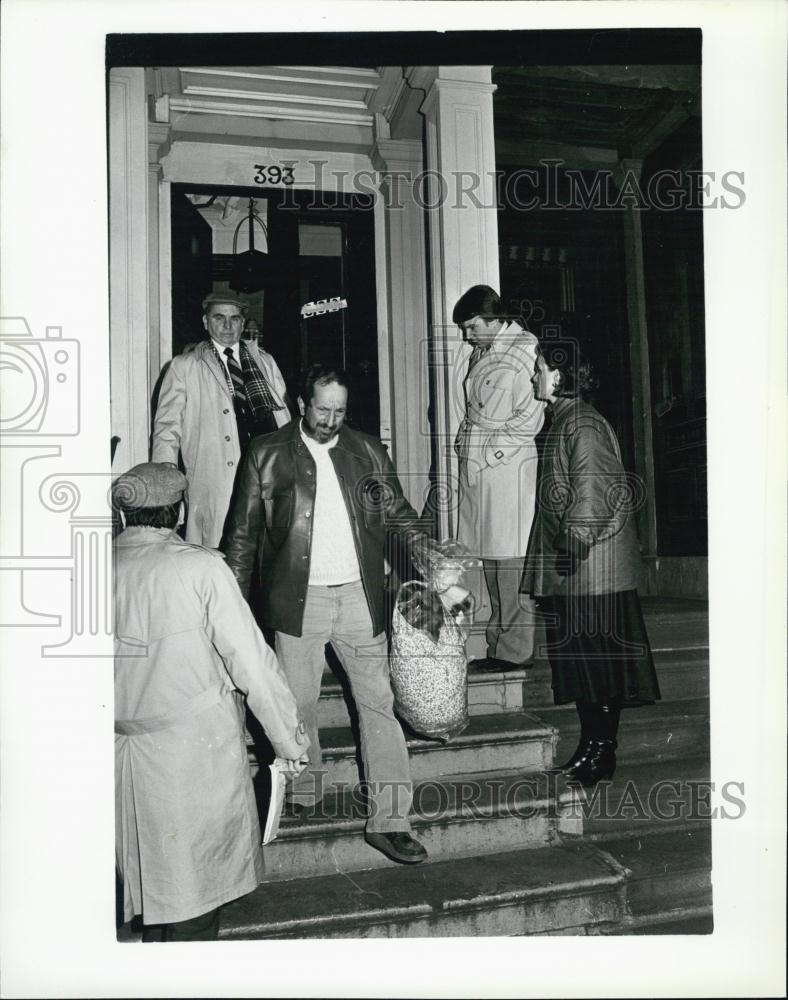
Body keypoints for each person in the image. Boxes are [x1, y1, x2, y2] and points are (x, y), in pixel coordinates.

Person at [222, 365, 428, 865]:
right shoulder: (267, 453)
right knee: (298, 705)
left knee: (379, 704)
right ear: (301, 403)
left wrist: (429, 555)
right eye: (321, 410)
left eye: (339, 411)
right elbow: (243, 536)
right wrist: (229, 607)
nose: (330, 421)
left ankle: (391, 820)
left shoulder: (366, 450)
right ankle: (306, 790)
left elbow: (397, 512)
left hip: (359, 595)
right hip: (298, 598)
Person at [113, 462, 309, 941]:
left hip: (119, 757)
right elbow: (252, 663)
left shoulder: (93, 569)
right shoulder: (200, 567)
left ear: (123, 518)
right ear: (178, 512)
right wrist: (289, 741)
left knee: (145, 900)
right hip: (189, 762)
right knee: (192, 906)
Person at [523, 340, 661, 786]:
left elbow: (595, 491)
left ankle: (600, 753)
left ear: (559, 375)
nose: (534, 376)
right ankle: (594, 750)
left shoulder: (581, 423)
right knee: (589, 669)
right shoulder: (568, 419)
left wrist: (571, 551)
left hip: (592, 573)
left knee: (598, 669)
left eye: (540, 368)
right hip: (582, 571)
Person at [452, 284, 545, 672]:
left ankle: (515, 650)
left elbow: (531, 418)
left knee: (510, 562)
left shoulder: (524, 348)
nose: (467, 335)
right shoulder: (483, 351)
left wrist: (488, 453)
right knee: (490, 560)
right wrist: (465, 446)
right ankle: (497, 645)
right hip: (481, 471)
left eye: (472, 326)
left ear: (493, 319)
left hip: (508, 471)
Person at [151, 291, 291, 548]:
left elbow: (284, 416)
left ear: (242, 322)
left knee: (267, 551)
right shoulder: (184, 366)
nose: (227, 326)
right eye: (219, 318)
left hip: (268, 472)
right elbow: (167, 427)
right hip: (215, 478)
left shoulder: (265, 361)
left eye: (234, 318)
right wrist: (164, 479)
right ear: (205, 322)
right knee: (219, 552)